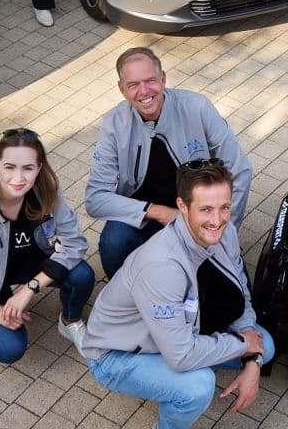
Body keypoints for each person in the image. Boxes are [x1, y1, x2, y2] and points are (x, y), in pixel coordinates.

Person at [80, 159, 271, 429]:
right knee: (198, 385)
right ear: (182, 207)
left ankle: (199, 374)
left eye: (225, 207)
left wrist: (252, 358)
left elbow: (241, 296)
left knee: (266, 343)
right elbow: (181, 356)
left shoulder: (223, 233)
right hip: (115, 355)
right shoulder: (162, 265)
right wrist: (242, 345)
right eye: (206, 209)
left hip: (180, 331)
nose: (217, 220)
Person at [87, 47, 253, 277]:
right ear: (121, 89)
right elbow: (95, 199)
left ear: (163, 79)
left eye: (150, 80)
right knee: (114, 242)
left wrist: (223, 229)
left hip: (198, 214)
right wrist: (160, 212)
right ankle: (129, 300)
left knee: (237, 297)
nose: (144, 91)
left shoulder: (197, 107)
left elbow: (239, 170)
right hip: (145, 216)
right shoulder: (113, 124)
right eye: (133, 84)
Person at [0, 129, 95, 363]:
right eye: (10, 167)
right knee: (9, 349)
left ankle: (70, 321)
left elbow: (75, 243)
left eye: (28, 168)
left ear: (39, 168)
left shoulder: (48, 192)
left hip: (31, 264)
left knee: (82, 275)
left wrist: (29, 289)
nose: (18, 178)